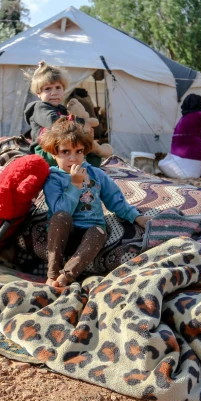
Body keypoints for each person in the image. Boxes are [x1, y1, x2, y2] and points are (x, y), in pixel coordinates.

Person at [39, 117, 151, 287]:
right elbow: (59, 211)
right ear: (54, 154)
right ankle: (52, 273)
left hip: (90, 232)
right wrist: (75, 185)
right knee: (60, 217)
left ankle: (66, 276)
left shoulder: (96, 174)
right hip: (64, 234)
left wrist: (136, 217)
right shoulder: (53, 178)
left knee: (99, 231)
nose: (73, 158)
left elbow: (115, 199)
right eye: (65, 152)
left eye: (79, 151)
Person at [23, 61, 102, 167]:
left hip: (64, 146)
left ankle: (88, 168)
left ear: (64, 90)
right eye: (48, 89)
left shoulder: (62, 109)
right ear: (39, 93)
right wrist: (82, 122)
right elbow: (56, 122)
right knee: (67, 155)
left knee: (92, 152)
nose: (54, 92)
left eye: (58, 87)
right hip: (45, 150)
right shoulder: (40, 108)